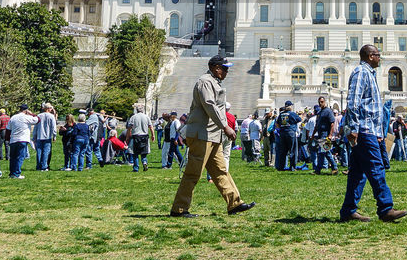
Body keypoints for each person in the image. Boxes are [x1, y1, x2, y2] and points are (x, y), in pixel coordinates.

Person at [170, 56, 255, 218]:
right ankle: (179, 209)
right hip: (202, 135)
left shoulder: (212, 82)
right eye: (225, 68)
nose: (227, 71)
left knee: (221, 171)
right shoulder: (205, 82)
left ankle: (234, 203)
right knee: (193, 173)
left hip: (212, 135)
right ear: (216, 68)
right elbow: (210, 105)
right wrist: (225, 127)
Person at [340, 45, 407, 223]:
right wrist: (354, 127)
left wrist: (378, 132)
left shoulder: (369, 73)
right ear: (370, 56)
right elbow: (354, 102)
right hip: (363, 130)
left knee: (357, 173)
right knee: (376, 168)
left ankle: (348, 210)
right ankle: (385, 208)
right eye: (378, 55)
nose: (380, 58)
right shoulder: (362, 72)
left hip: (368, 130)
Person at [6, 104, 37, 179]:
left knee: (13, 157)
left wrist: (7, 139)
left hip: (13, 139)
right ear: (26, 110)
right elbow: (37, 119)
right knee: (20, 157)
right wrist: (31, 113)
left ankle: (12, 173)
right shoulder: (27, 117)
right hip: (23, 139)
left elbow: (8, 129)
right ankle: (17, 173)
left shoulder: (13, 117)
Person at [312, 96, 338, 174]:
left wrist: (330, 134)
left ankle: (334, 167)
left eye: (322, 102)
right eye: (319, 102)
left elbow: (332, 124)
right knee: (322, 152)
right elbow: (317, 124)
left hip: (325, 133)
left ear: (325, 102)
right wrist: (313, 134)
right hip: (320, 134)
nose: (320, 103)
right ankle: (318, 169)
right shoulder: (319, 112)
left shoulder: (328, 111)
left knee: (325, 151)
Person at [273, 101, 300, 171]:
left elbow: (277, 124)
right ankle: (292, 167)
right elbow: (299, 119)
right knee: (292, 150)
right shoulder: (292, 114)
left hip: (282, 133)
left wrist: (281, 128)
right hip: (291, 132)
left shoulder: (281, 114)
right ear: (290, 106)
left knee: (283, 151)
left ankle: (281, 166)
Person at [126, 104, 153, 172]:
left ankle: (136, 168)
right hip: (145, 136)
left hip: (136, 136)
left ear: (136, 110)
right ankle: (144, 162)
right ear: (143, 110)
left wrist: (128, 136)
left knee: (135, 153)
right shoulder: (146, 117)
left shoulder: (133, 117)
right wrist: (153, 135)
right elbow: (151, 127)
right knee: (144, 152)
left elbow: (129, 128)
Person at [33, 103, 56, 172]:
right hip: (47, 136)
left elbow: (35, 127)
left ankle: (39, 166)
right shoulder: (51, 116)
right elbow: (53, 127)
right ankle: (44, 166)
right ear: (48, 109)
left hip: (39, 136)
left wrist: (34, 136)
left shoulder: (39, 116)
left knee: (39, 151)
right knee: (46, 151)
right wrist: (54, 136)